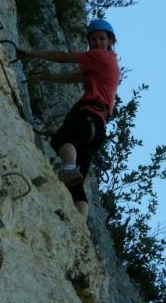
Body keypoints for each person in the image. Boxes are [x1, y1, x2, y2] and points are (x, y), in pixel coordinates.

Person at [22, 18, 121, 217]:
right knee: (76, 187)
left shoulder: (100, 56)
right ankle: (81, 230)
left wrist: (32, 53)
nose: (97, 43)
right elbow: (74, 78)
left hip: (88, 116)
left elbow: (63, 57)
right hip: (99, 128)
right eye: (93, 40)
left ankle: (68, 167)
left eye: (102, 39)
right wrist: (44, 77)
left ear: (110, 41)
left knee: (62, 140)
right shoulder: (104, 65)